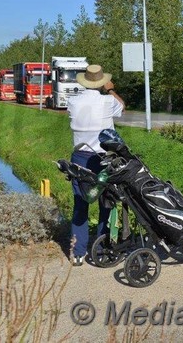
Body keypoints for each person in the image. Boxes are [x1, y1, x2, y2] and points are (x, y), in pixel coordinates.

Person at [67, 64, 125, 266]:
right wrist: (110, 89)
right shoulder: (108, 100)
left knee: (80, 203)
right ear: (101, 82)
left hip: (80, 157)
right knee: (106, 202)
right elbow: (122, 107)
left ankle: (78, 252)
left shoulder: (72, 101)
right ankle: (100, 248)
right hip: (102, 159)